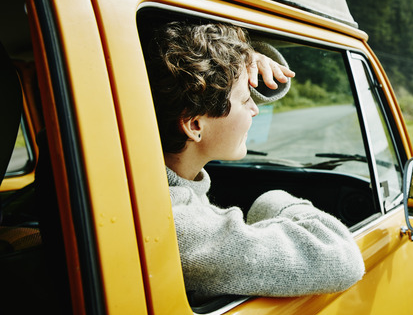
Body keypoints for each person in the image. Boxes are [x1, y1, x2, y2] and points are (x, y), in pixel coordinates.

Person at [145, 22, 365, 299]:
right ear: (194, 126)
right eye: (246, 99)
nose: (255, 110)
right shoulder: (180, 226)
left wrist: (241, 58)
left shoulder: (149, 191)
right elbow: (342, 259)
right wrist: (271, 203)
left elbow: (212, 98)